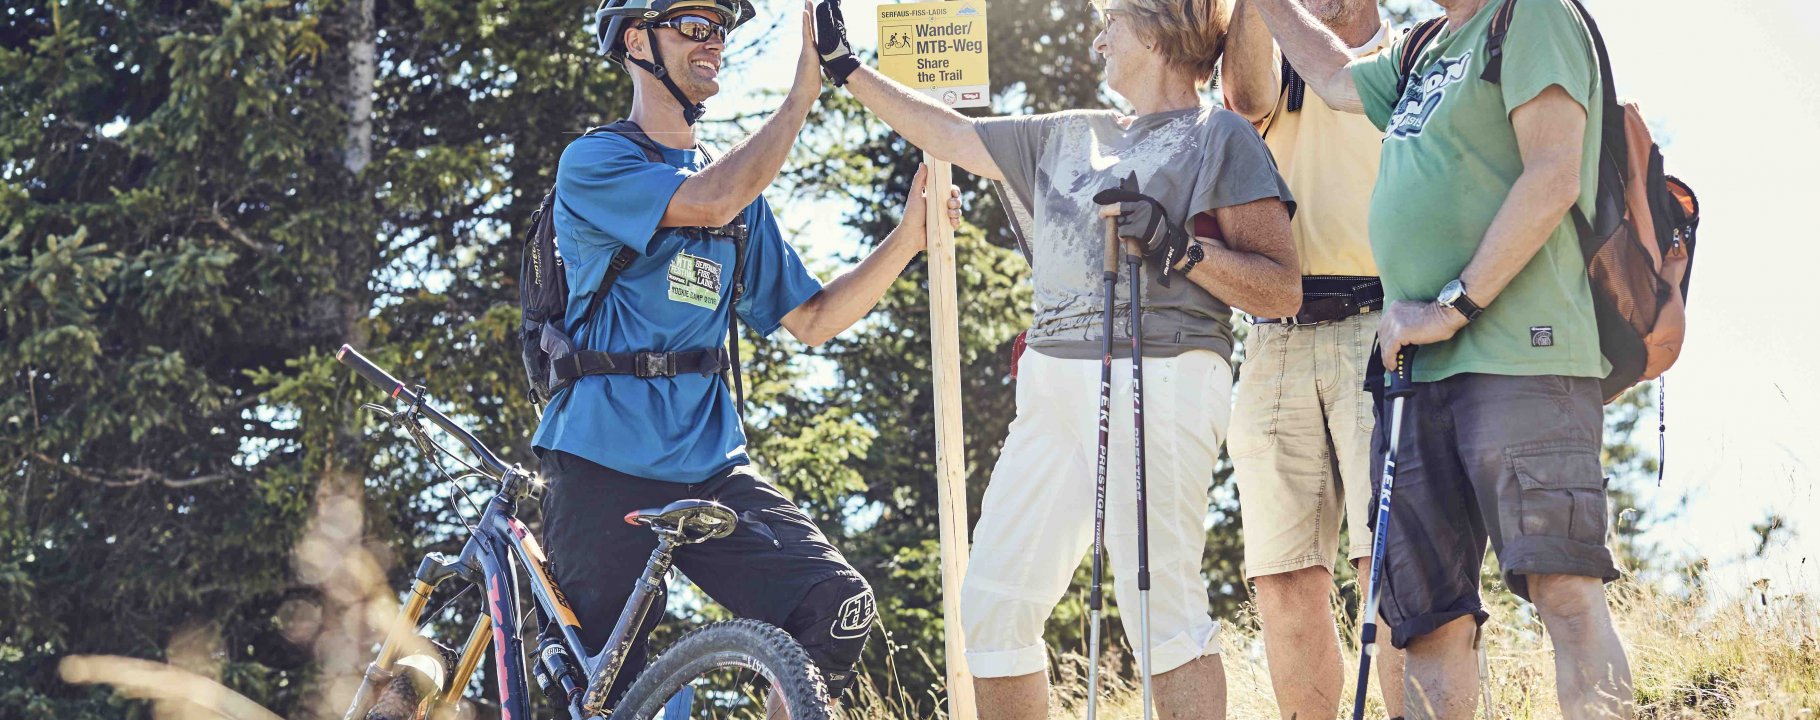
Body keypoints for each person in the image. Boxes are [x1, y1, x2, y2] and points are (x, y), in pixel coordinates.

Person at [812, 0, 1299, 716]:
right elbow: (949, 132)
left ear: (1161, 31)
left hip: (1161, 372)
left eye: (1113, 22)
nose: (1098, 37)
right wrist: (847, 68)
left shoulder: (1217, 135)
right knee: (995, 604)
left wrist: (1180, 248)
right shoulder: (1065, 133)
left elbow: (1280, 287)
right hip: (1049, 385)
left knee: (1161, 612)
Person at [534, 0, 961, 709]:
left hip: (709, 469)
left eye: (721, 29)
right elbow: (709, 199)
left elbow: (814, 318)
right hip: (599, 464)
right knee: (616, 695)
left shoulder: (740, 202)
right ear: (637, 39)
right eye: (693, 26)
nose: (715, 42)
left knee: (837, 605)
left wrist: (910, 238)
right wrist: (803, 92)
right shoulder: (597, 160)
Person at [1246, 0, 1633, 717]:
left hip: (1523, 359)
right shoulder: (1427, 43)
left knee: (1565, 593)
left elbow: (1553, 173)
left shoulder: (1530, 16)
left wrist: (1453, 306)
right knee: (1426, 623)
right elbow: (1333, 77)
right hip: (1417, 376)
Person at [1219, 0, 1405, 716]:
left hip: (1385, 326)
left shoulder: (1411, 55)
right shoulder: (1275, 54)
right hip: (1277, 336)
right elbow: (1242, 98)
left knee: (1386, 566)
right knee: (1283, 577)